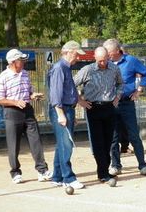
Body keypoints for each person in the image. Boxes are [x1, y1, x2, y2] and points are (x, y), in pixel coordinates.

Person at [0, 48, 52, 184]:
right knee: (14, 144)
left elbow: (29, 92)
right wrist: (14, 102)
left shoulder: (25, 73)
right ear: (14, 62)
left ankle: (42, 170)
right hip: (12, 112)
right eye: (21, 60)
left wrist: (33, 95)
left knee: (36, 140)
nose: (24, 62)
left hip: (27, 110)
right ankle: (15, 172)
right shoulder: (4, 76)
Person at [73, 47, 123, 182]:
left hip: (109, 107)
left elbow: (120, 84)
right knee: (97, 142)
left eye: (105, 60)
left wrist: (117, 97)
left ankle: (104, 170)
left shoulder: (114, 68)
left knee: (109, 141)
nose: (103, 63)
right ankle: (102, 173)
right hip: (93, 107)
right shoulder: (87, 70)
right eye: (100, 60)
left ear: (108, 57)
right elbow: (71, 84)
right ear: (94, 57)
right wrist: (80, 101)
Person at [103, 38, 146, 176]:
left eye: (109, 52)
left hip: (126, 103)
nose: (107, 55)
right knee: (113, 137)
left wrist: (139, 90)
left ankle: (142, 165)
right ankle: (116, 165)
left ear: (116, 51)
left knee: (133, 135)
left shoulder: (130, 61)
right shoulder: (106, 63)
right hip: (111, 105)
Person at [47, 40, 85, 189]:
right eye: (77, 54)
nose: (78, 58)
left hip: (68, 109)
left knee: (62, 144)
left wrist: (71, 113)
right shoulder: (59, 68)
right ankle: (68, 178)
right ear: (69, 52)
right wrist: (61, 114)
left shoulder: (66, 68)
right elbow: (55, 94)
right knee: (67, 144)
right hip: (61, 110)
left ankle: (57, 176)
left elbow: (68, 91)